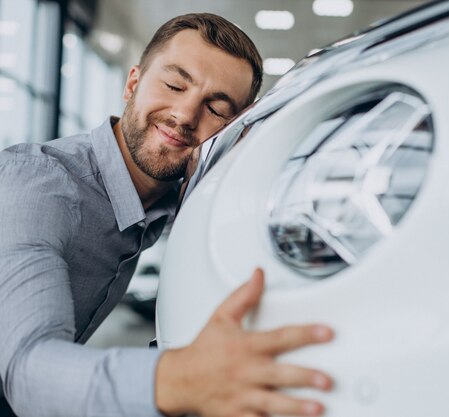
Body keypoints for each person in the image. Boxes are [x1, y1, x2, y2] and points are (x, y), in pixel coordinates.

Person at [0, 13, 334, 417]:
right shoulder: (40, 185)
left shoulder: (161, 202)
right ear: (132, 83)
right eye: (174, 85)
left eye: (216, 108)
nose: (185, 115)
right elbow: (26, 374)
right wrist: (182, 378)